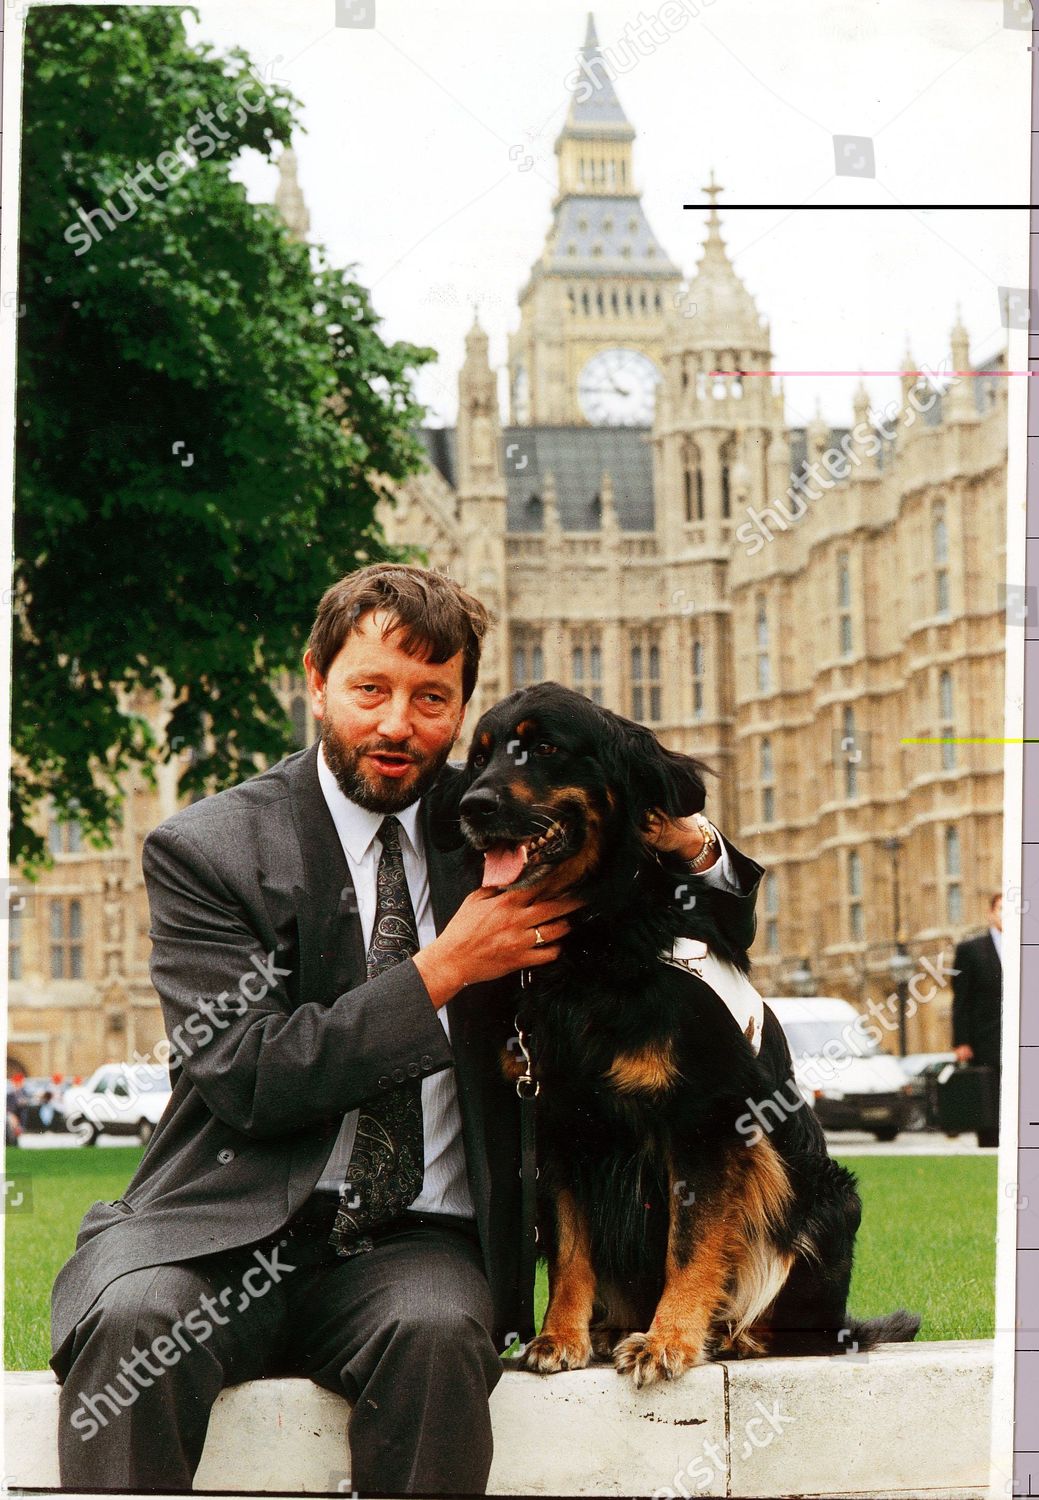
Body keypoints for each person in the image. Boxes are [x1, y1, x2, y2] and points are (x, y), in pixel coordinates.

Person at [49, 563, 764, 1496]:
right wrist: (444, 970)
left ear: (463, 709)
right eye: (371, 690)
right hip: (219, 1233)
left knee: (432, 1338)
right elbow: (247, 1076)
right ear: (316, 682)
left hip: (417, 1243)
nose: (397, 725)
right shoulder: (211, 851)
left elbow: (695, 925)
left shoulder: (509, 822)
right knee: (135, 1323)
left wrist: (695, 843)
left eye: (433, 699)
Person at [951, 892, 1003, 1149]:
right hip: (986, 1042)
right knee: (990, 1106)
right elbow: (961, 999)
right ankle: (991, 1152)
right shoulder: (971, 950)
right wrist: (961, 1041)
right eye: (1002, 909)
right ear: (992, 914)